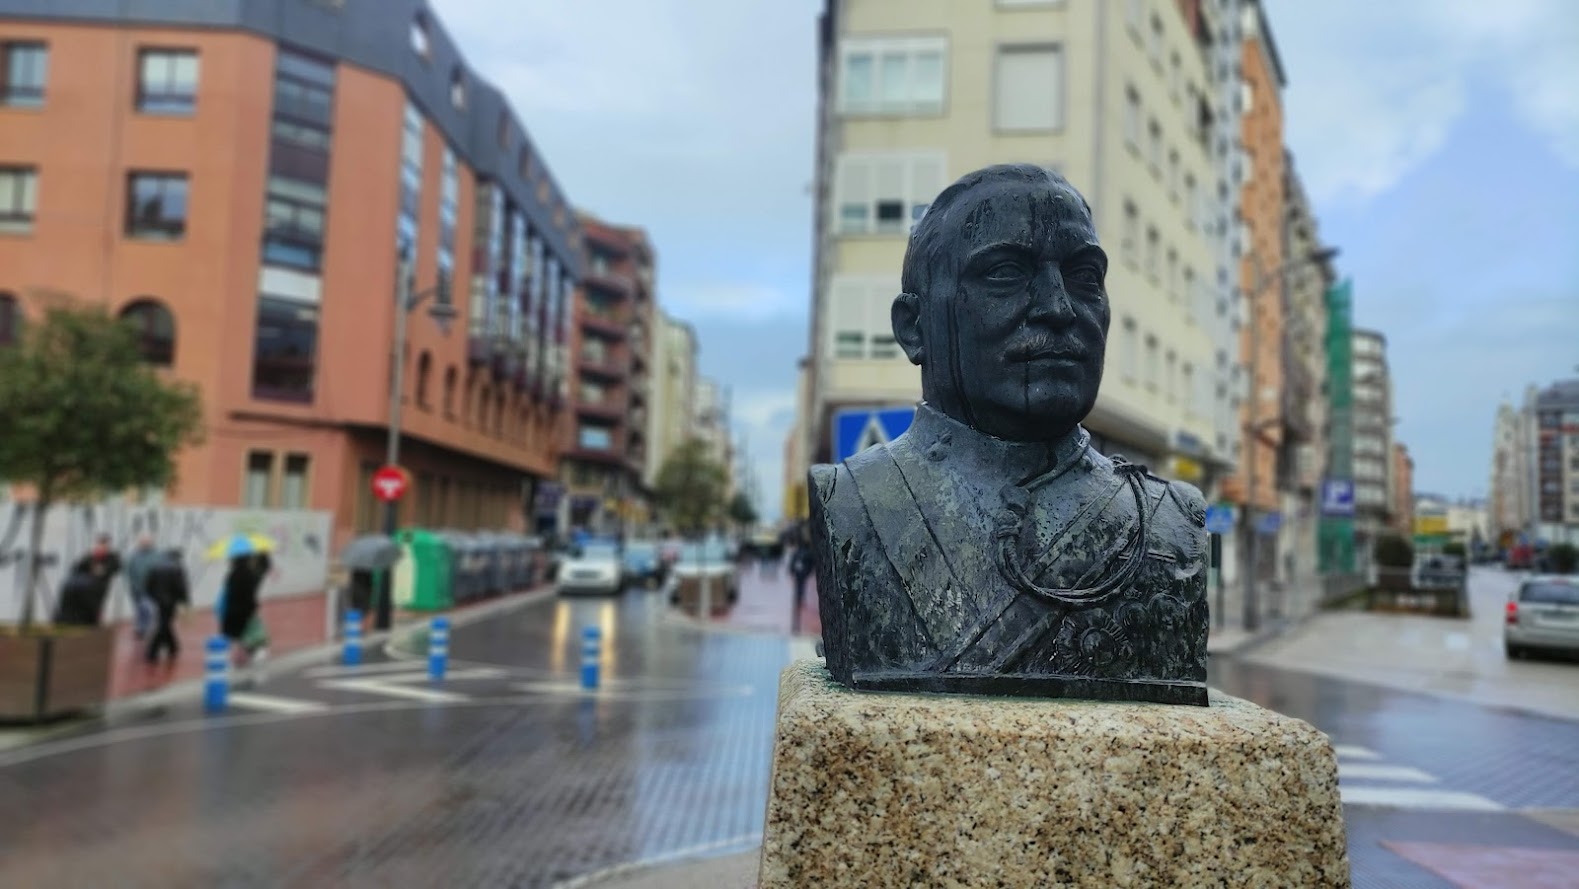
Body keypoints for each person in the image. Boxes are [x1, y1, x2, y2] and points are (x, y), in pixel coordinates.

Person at [807, 164, 1209, 702]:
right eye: (1004, 274)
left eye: (1084, 277)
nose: (1059, 308)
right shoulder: (852, 504)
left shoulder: (1169, 522)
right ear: (914, 328)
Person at [53, 534, 123, 627]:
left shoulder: (112, 558)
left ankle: (90, 622)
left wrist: (104, 570)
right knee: (68, 588)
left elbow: (115, 568)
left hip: (98, 586)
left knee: (92, 602)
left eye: (104, 544)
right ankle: (65, 618)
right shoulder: (90, 557)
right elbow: (76, 568)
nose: (101, 546)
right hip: (84, 584)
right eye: (100, 544)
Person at [220, 551, 272, 664]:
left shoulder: (232, 575)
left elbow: (229, 594)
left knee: (240, 637)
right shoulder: (250, 574)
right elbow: (250, 594)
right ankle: (249, 654)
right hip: (246, 611)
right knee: (252, 635)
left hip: (235, 612)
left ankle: (242, 657)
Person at [143, 548, 190, 665]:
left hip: (159, 601)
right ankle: (152, 652)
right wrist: (185, 601)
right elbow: (181, 587)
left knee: (165, 623)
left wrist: (154, 597)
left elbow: (148, 586)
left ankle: (173, 647)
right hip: (171, 602)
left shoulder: (154, 567)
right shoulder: (177, 568)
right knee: (164, 624)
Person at [125, 535, 160, 640]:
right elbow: (128, 571)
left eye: (147, 542)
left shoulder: (157, 555)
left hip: (152, 588)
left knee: (149, 608)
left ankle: (148, 627)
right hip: (136, 588)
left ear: (151, 543)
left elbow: (160, 570)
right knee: (139, 609)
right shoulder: (134, 556)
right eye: (143, 542)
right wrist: (132, 583)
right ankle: (141, 628)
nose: (145, 544)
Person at [789, 531, 817, 634]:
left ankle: (799, 597)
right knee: (801, 585)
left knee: (800, 585)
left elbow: (794, 562)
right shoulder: (806, 553)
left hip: (800, 572)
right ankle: (799, 597)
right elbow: (811, 563)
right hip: (802, 572)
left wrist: (792, 570)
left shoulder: (800, 553)